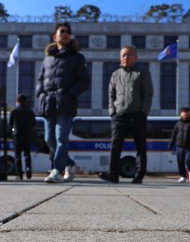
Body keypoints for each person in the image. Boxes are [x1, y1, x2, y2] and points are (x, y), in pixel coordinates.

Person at [36, 22, 90, 183]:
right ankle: (71, 165)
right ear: (55, 36)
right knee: (49, 140)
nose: (66, 34)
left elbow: (84, 81)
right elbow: (40, 78)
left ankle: (57, 171)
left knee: (61, 139)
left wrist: (69, 93)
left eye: (68, 32)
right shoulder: (47, 58)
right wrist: (40, 94)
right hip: (48, 103)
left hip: (65, 104)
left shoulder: (77, 57)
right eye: (62, 31)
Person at [98, 46, 153, 184]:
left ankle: (139, 175)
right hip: (119, 116)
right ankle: (113, 174)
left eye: (128, 55)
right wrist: (112, 112)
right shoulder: (115, 74)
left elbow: (148, 93)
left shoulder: (143, 72)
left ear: (136, 57)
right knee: (115, 145)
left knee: (140, 146)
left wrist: (143, 112)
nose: (125, 58)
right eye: (123, 55)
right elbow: (111, 94)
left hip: (137, 116)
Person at [9, 94, 36, 180]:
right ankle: (28, 169)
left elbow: (10, 124)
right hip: (27, 135)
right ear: (25, 101)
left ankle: (19, 174)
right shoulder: (30, 111)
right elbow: (33, 124)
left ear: (17, 101)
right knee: (27, 154)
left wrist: (13, 130)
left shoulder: (14, 111)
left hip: (17, 135)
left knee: (18, 155)